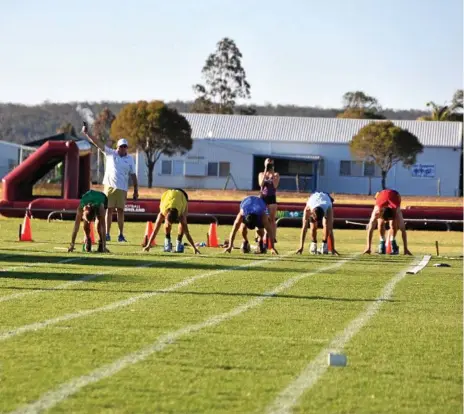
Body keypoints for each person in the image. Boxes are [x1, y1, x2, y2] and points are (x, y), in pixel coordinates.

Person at [81, 123, 138, 243]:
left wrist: (136, 191)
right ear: (117, 147)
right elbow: (98, 143)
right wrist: (87, 133)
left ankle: (121, 234)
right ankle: (106, 233)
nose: (123, 149)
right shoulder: (111, 153)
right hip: (110, 187)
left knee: (121, 211)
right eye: (121, 147)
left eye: (125, 147)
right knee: (109, 210)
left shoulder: (130, 160)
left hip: (122, 188)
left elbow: (133, 175)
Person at [143, 188, 200, 254]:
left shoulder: (181, 215)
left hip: (182, 195)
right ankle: (167, 240)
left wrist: (194, 248)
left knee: (183, 224)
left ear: (177, 217)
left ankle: (179, 241)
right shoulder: (162, 212)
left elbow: (187, 233)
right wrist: (148, 245)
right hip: (168, 195)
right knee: (167, 225)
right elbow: (155, 231)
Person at [364, 189, 412, 255]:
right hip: (381, 195)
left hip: (395, 195)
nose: (386, 222)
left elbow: (403, 230)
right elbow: (370, 229)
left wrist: (405, 249)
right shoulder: (377, 211)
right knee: (380, 223)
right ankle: (382, 242)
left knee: (393, 224)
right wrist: (368, 247)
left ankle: (392, 241)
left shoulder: (397, 211)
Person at [258, 158, 280, 243]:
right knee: (261, 218)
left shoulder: (276, 174)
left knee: (272, 219)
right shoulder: (261, 174)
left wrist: (272, 174)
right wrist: (265, 171)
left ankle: (273, 237)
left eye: (271, 164)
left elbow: (275, 185)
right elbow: (261, 184)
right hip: (263, 197)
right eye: (268, 164)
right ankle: (259, 237)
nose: (269, 166)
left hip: (271, 198)